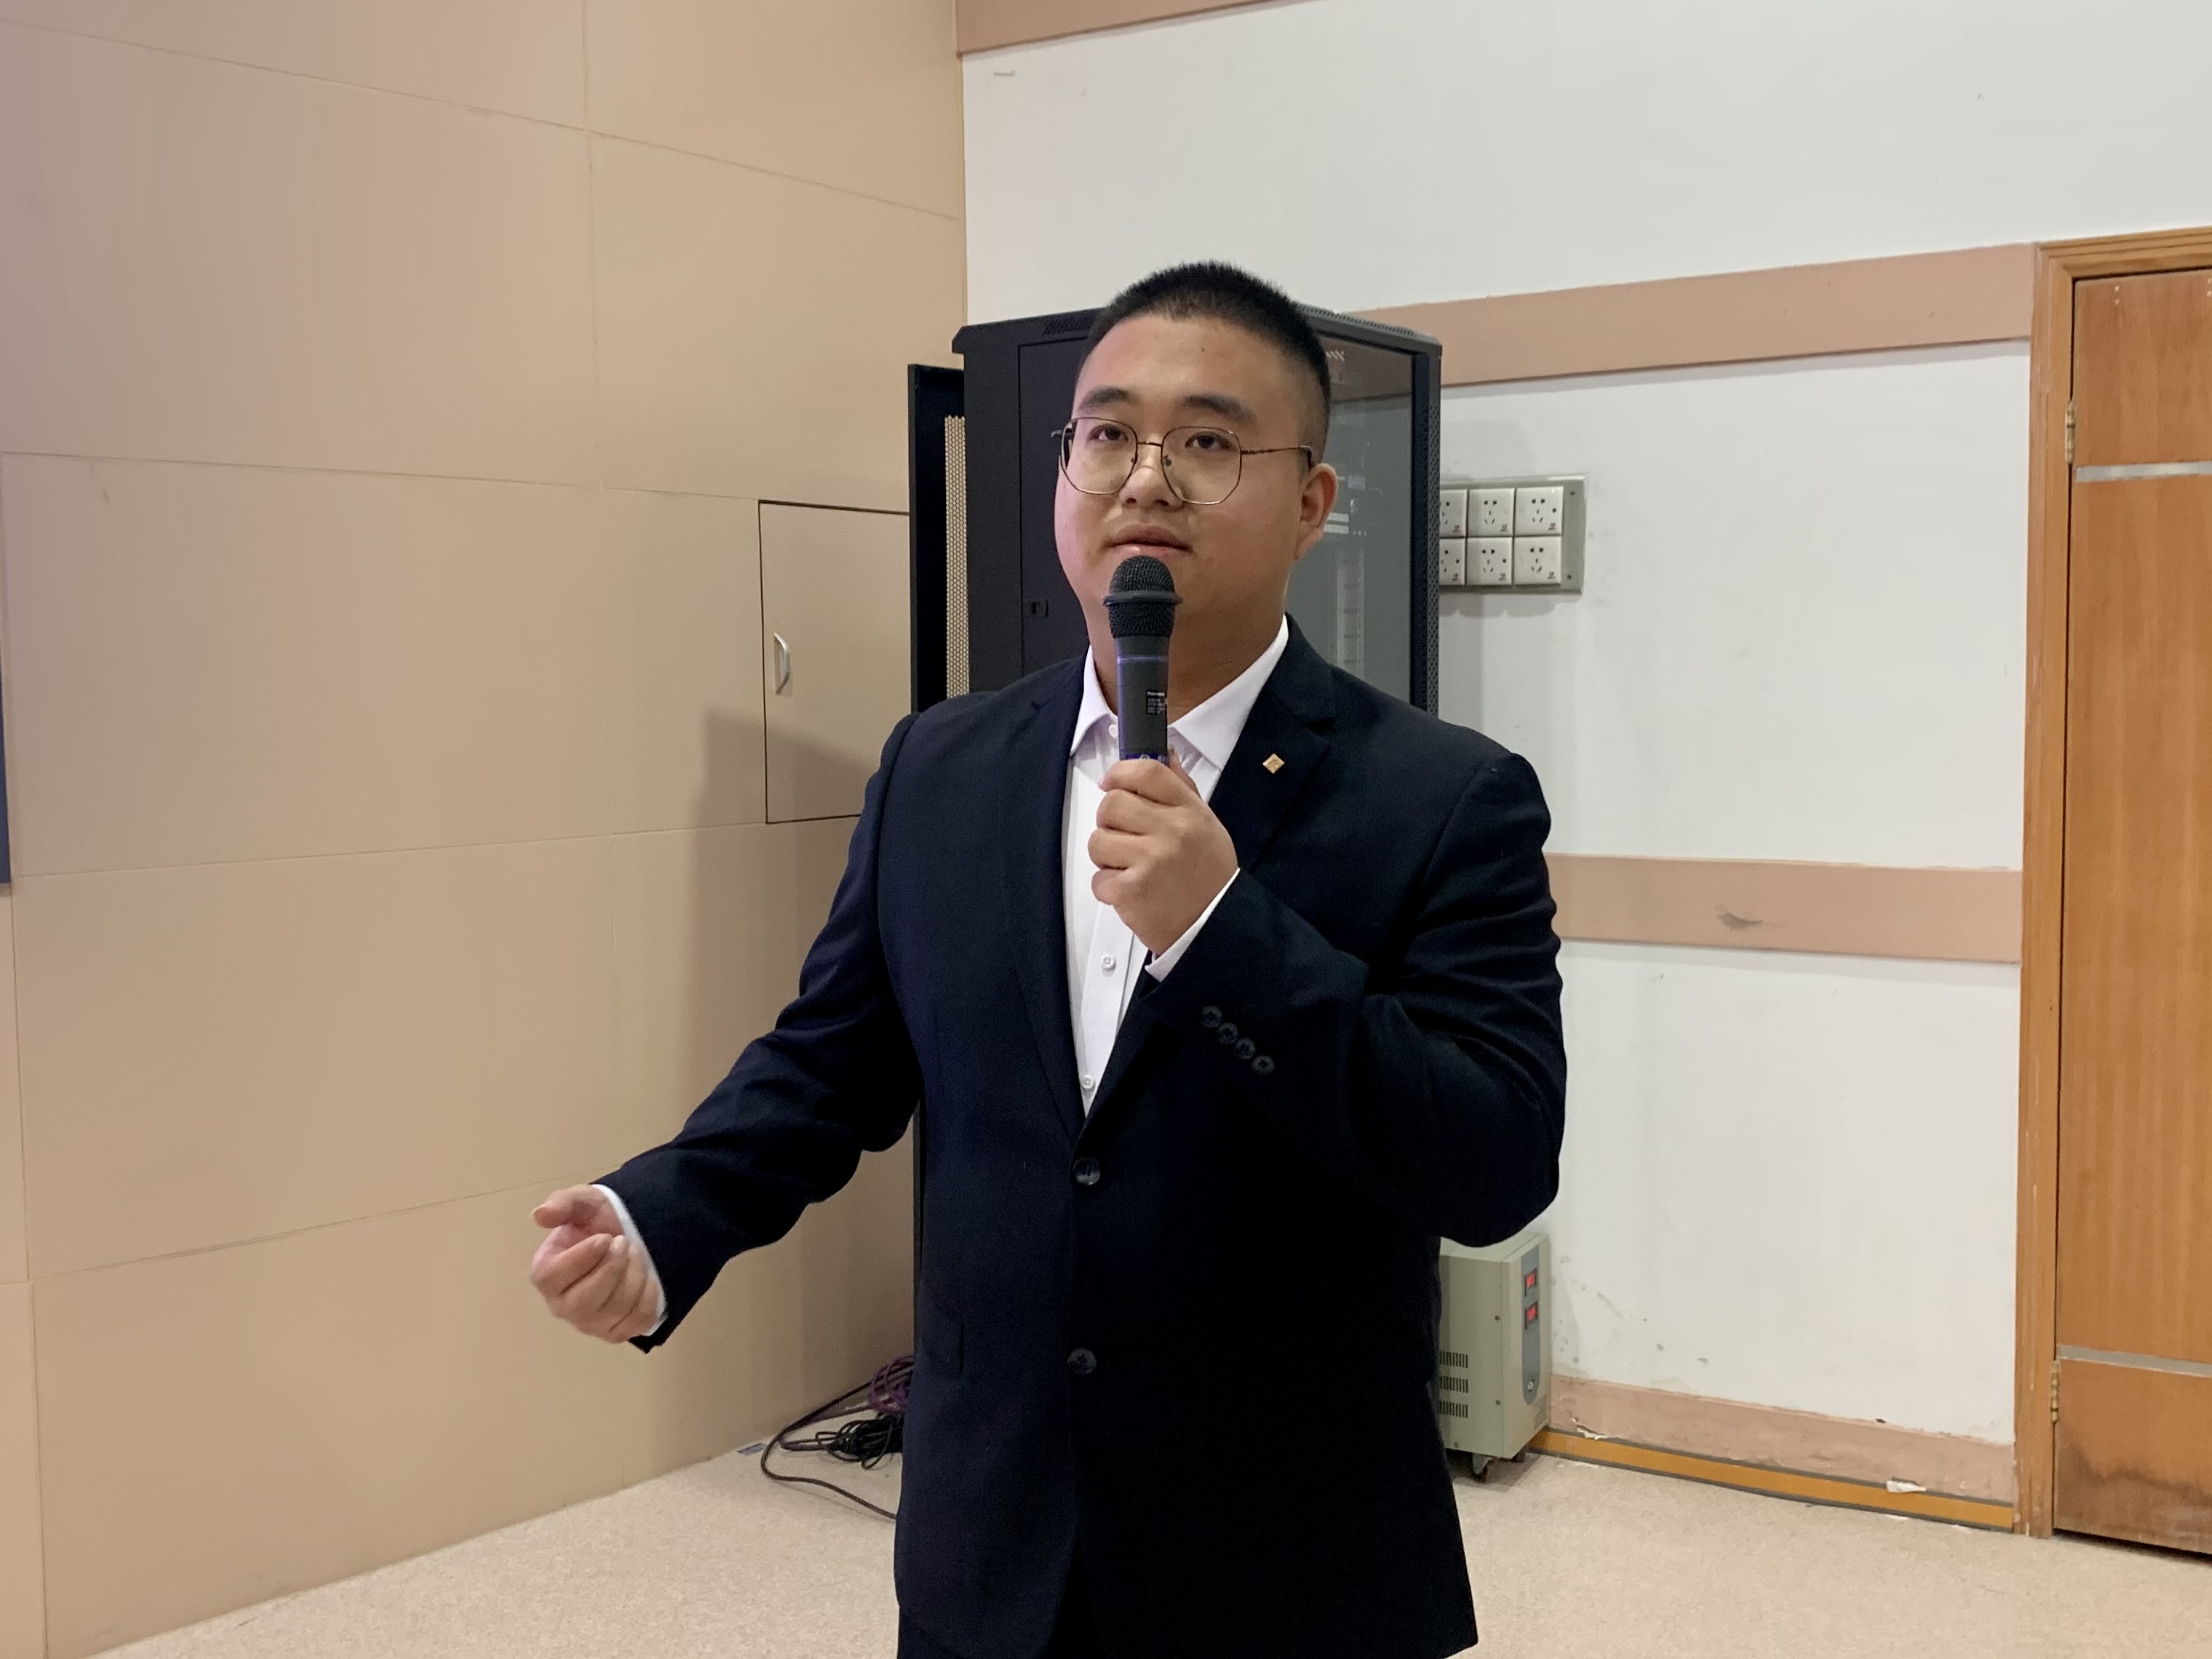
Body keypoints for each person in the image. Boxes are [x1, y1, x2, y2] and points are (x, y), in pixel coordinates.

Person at [528, 263, 1567, 1659]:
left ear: (1313, 503)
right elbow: (834, 1064)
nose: (1147, 478)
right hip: (995, 1538)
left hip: (1286, 1556)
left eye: (1209, 441)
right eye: (1107, 433)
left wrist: (1224, 931)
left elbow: (1495, 1158)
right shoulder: (942, 767)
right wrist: (664, 1218)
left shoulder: (1443, 796)